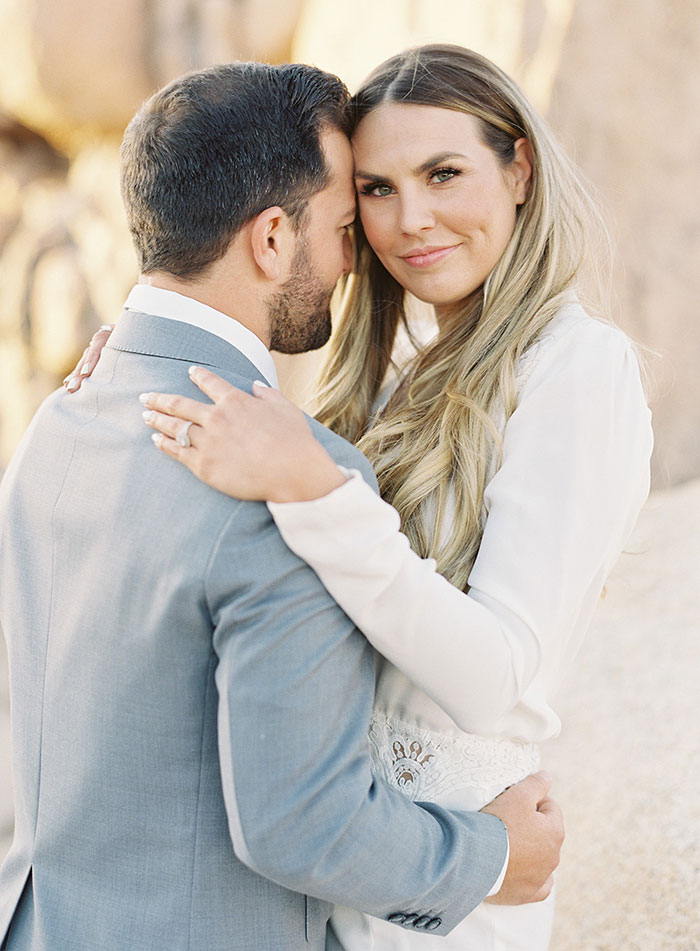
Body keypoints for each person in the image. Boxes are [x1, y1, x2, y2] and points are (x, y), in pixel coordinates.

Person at [91, 46, 652, 951]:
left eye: (443, 173)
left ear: (520, 168)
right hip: (335, 863)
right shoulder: (389, 367)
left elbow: (494, 677)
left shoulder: (579, 370)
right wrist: (137, 361)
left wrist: (319, 491)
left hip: (453, 880)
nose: (410, 220)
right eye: (378, 189)